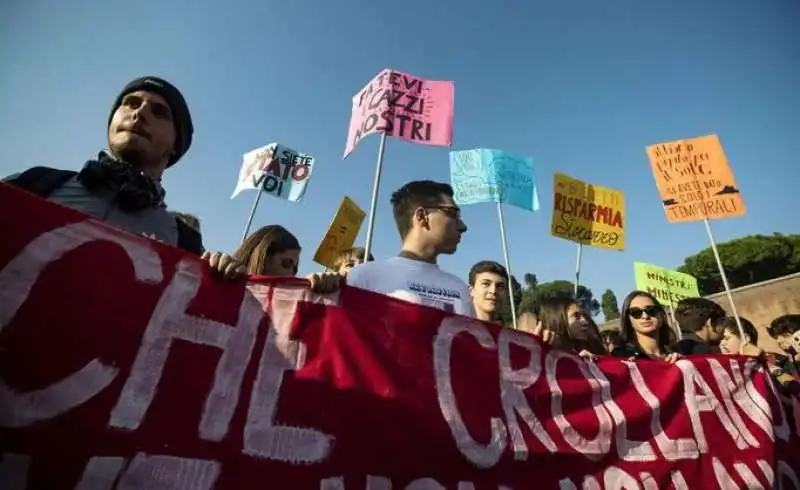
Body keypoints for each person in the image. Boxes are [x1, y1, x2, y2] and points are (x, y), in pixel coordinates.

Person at [3, 76, 205, 256]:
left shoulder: (186, 243)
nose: (140, 113)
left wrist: (228, 278)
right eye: (131, 103)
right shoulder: (36, 182)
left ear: (176, 145)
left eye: (159, 112)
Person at [346, 180, 472, 316]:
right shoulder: (364, 278)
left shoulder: (460, 288)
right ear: (422, 216)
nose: (463, 226)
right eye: (453, 214)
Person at [232, 224, 341, 292]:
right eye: (286, 264)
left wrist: (320, 288)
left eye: (294, 270)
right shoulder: (224, 282)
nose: (291, 275)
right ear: (262, 258)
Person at [612, 291, 679, 362]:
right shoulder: (620, 357)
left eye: (651, 310)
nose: (645, 316)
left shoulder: (677, 353)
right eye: (636, 312)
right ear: (628, 321)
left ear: (661, 316)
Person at [537, 297, 605, 358]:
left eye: (583, 316)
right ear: (557, 319)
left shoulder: (586, 350)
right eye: (576, 316)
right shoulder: (540, 356)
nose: (585, 322)